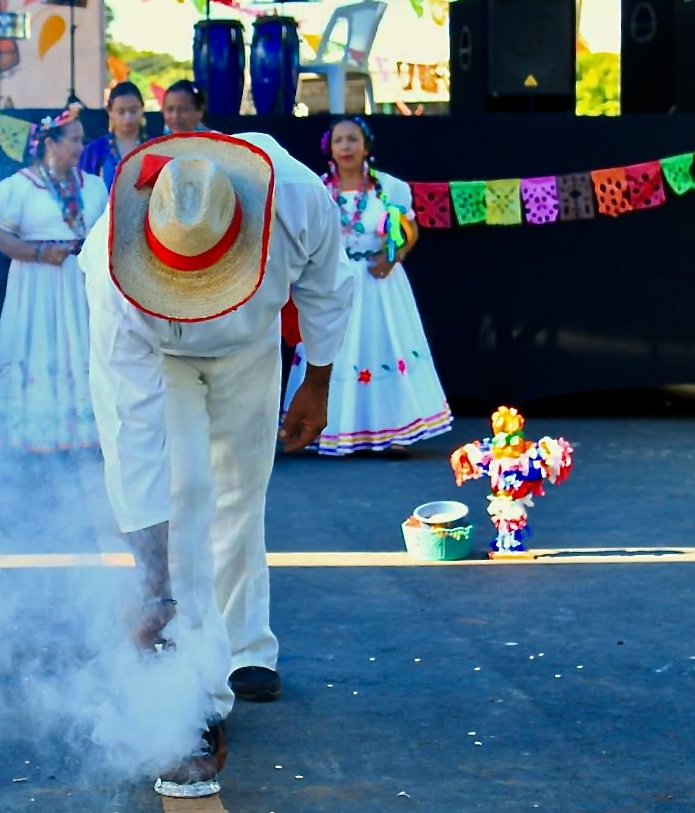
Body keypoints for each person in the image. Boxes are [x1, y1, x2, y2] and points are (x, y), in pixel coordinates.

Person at [78, 132, 353, 798]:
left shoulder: (295, 199)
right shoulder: (110, 270)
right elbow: (134, 447)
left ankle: (246, 648)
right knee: (184, 493)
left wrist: (316, 381)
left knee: (241, 489)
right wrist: (154, 589)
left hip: (249, 347)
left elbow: (326, 285)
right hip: (161, 360)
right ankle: (192, 686)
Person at [284, 116, 451, 455]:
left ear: (366, 146)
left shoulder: (390, 188)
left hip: (379, 286)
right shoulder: (317, 189)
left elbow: (410, 229)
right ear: (329, 149)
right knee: (334, 352)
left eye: (352, 139)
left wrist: (396, 256)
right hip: (333, 285)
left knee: (380, 348)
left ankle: (394, 432)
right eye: (339, 140)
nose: (345, 147)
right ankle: (326, 428)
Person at [0, 104, 108, 452]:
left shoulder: (95, 187)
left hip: (78, 284)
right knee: (38, 346)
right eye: (73, 139)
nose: (80, 146)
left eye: (82, 140)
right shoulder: (18, 187)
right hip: (36, 284)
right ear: (50, 143)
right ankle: (33, 435)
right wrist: (41, 254)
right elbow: (1, 239)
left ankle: (82, 434)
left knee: (79, 347)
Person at [79, 82, 148, 190]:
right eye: (121, 112)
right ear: (110, 112)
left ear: (142, 109)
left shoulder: (155, 147)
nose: (128, 117)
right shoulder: (94, 150)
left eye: (133, 111)